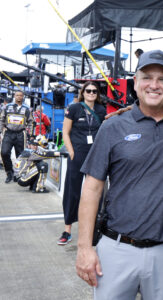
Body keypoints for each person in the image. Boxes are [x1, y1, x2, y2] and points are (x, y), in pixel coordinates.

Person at [76, 50, 163, 300]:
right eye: (147, 77)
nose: (154, 85)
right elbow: (92, 189)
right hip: (116, 250)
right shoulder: (112, 126)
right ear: (135, 82)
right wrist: (84, 247)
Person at [59, 81, 106, 245]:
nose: (92, 93)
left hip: (95, 154)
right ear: (83, 92)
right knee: (72, 190)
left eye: (94, 91)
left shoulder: (101, 109)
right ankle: (67, 230)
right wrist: (71, 151)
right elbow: (65, 131)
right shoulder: (74, 108)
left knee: (95, 193)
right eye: (88, 91)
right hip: (77, 152)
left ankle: (93, 230)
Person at [0, 91, 33, 184]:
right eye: (17, 95)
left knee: (20, 156)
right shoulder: (7, 107)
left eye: (21, 95)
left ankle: (18, 174)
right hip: (8, 133)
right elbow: (1, 119)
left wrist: (31, 135)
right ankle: (9, 173)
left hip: (21, 134)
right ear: (14, 96)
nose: (19, 97)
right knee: (4, 152)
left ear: (23, 97)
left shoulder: (26, 109)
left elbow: (31, 122)